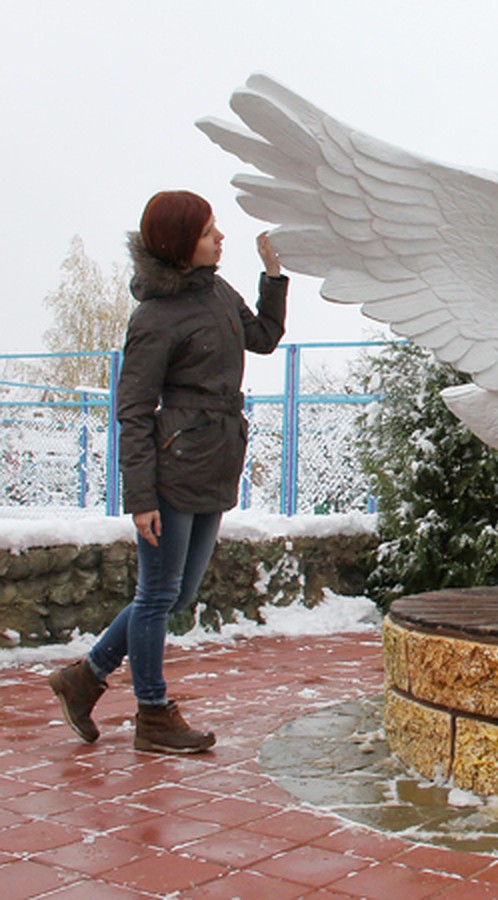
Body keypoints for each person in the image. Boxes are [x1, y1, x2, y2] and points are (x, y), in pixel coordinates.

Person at [49, 190, 288, 753]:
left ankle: (84, 678)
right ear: (182, 247)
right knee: (157, 595)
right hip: (172, 468)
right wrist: (140, 497)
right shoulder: (154, 318)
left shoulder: (218, 290)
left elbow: (265, 339)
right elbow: (132, 411)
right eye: (209, 232)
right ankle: (152, 714)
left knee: (175, 597)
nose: (220, 238)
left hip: (216, 460)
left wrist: (273, 275)